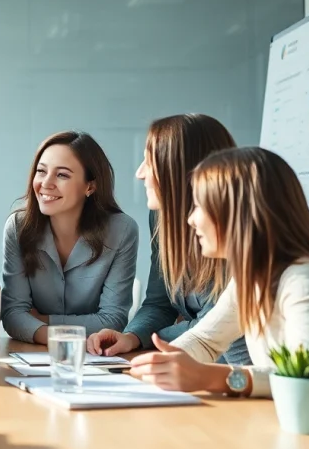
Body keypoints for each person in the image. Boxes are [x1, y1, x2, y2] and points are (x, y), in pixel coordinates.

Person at [129, 147, 309, 443]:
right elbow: (205, 339)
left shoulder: (305, 279)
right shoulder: (253, 275)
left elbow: (305, 379)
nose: (191, 220)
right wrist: (158, 366)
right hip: (301, 425)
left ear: (236, 213)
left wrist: (210, 377)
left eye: (199, 206)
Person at [86, 114, 251, 364]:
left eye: (149, 162)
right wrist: (131, 337)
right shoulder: (162, 219)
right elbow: (159, 302)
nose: (140, 173)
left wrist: (154, 338)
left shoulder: (232, 236)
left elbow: (210, 332)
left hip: (227, 373)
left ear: (178, 171)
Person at [1, 132, 138, 345]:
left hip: (94, 357)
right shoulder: (19, 227)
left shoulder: (122, 230)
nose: (46, 183)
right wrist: (58, 336)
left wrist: (41, 321)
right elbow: (13, 315)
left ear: (90, 186)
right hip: (31, 356)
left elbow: (112, 320)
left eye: (62, 175)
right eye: (41, 171)